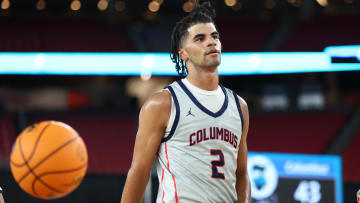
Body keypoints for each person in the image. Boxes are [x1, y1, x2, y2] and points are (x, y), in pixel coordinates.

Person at [121, 1, 251, 202]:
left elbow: (241, 175)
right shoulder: (162, 103)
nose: (211, 42)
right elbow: (138, 173)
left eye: (215, 37)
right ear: (183, 53)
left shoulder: (239, 106)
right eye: (200, 38)